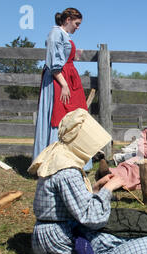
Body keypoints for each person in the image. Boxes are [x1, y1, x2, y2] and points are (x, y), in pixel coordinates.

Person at [28, 108, 147, 254]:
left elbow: (70, 202)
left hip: (45, 238)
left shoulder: (58, 159)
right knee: (143, 244)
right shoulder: (67, 170)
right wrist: (109, 189)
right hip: (58, 241)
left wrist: (96, 189)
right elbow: (92, 218)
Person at [32, 8, 91, 170]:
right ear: (67, 20)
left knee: (73, 117)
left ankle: (71, 161)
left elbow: (64, 56)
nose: (78, 27)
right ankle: (53, 162)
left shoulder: (64, 36)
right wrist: (63, 84)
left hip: (68, 78)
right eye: (77, 23)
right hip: (58, 80)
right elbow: (53, 62)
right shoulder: (55, 34)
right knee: (59, 117)